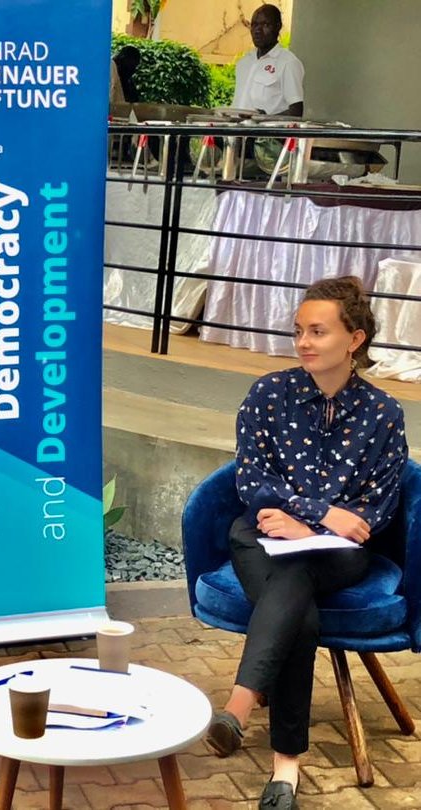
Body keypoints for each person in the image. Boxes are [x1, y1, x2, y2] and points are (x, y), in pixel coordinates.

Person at [205, 277, 408, 810]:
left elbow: (377, 509)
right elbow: (251, 480)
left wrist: (313, 529)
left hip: (339, 551)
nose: (303, 342)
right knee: (299, 607)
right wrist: (318, 514)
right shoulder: (269, 393)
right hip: (261, 533)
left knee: (296, 577)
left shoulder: (383, 414)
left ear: (355, 339)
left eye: (318, 331)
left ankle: (239, 707)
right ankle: (285, 767)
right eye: (298, 331)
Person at [232, 3, 304, 116]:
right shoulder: (244, 62)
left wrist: (265, 119)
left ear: (278, 26)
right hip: (235, 127)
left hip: (265, 128)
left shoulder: (288, 62)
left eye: (265, 25)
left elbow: (296, 111)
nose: (257, 30)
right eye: (254, 25)